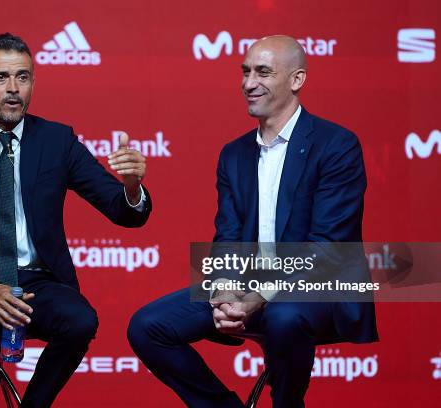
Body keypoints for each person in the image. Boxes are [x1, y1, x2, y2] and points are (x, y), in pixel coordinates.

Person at [127, 35, 377, 408]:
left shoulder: (336, 145)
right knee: (148, 326)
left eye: (262, 72)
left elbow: (326, 248)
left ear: (297, 80)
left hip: (321, 290)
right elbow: (227, 233)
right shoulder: (234, 154)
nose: (248, 83)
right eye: (245, 72)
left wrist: (258, 298)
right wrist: (227, 288)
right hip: (249, 289)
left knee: (283, 314)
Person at [0, 33, 152, 408]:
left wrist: (132, 187)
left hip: (34, 279)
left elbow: (121, 211)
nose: (13, 89)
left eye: (22, 77)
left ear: (33, 83)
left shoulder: (57, 140)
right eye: (1, 77)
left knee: (80, 320)